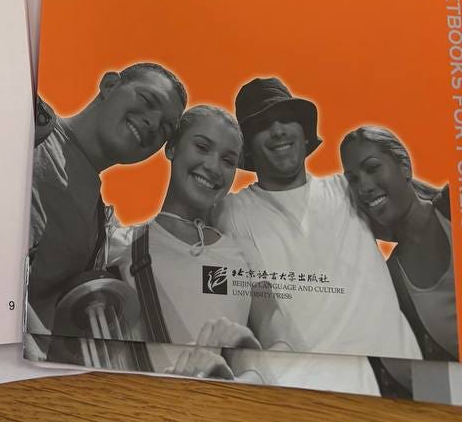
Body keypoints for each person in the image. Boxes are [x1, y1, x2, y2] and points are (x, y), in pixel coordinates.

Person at [215, 77, 421, 395]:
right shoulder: (230, 212)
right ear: (247, 147)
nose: (278, 130)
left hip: (409, 374)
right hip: (321, 388)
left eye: (287, 118)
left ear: (304, 132)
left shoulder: (348, 187)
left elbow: (422, 213)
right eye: (262, 125)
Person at [104, 105, 298, 382]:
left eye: (228, 161)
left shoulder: (242, 252)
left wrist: (249, 378)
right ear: (172, 148)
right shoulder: (120, 245)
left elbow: (280, 341)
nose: (213, 167)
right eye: (202, 147)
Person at [27, 62, 186, 344]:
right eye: (148, 100)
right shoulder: (29, 125)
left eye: (165, 130)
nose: (153, 124)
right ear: (110, 85)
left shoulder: (99, 232)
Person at [341, 125, 457, 360]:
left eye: (372, 168)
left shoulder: (453, 205)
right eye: (353, 179)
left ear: (404, 166)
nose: (364, 187)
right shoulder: (393, 279)